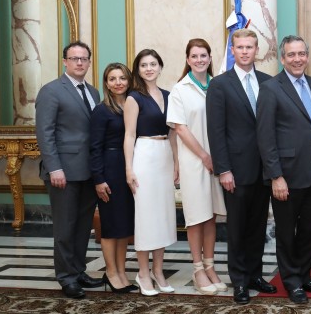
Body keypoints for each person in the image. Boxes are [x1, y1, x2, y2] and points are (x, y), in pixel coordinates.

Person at [256, 35, 311, 305]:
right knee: (287, 232)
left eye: (301, 54)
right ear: (283, 58)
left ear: (307, 57)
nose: (297, 59)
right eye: (291, 55)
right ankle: (291, 281)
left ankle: (305, 274)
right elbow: (265, 137)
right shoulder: (271, 88)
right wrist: (276, 175)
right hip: (286, 175)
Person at [206, 29, 277, 305]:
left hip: (264, 170)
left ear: (256, 50)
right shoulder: (220, 85)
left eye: (250, 47)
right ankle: (239, 282)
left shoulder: (268, 82)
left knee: (258, 226)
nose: (245, 51)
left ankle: (255, 275)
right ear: (232, 51)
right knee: (237, 228)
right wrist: (223, 169)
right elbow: (216, 131)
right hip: (234, 170)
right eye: (240, 47)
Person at [35, 41, 103, 299]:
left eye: (84, 59)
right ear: (65, 61)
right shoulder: (51, 91)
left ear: (89, 62)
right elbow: (45, 133)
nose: (79, 63)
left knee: (83, 225)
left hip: (87, 172)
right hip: (62, 172)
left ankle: (78, 270)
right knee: (65, 227)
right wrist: (54, 168)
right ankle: (66, 277)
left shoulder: (93, 92)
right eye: (74, 58)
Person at [167, 38, 227, 295]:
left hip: (218, 161)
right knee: (195, 217)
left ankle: (210, 265)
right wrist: (204, 156)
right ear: (188, 59)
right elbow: (180, 127)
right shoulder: (180, 89)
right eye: (195, 56)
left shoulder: (218, 85)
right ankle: (197, 269)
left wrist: (216, 158)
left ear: (210, 58)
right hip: (196, 161)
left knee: (211, 215)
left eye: (204, 55)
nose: (200, 60)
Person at [123, 49, 178, 296]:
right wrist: (128, 168)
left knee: (163, 216)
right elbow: (129, 135)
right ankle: (143, 272)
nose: (149, 68)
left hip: (164, 153)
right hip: (143, 155)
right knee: (146, 217)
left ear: (160, 66)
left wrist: (176, 163)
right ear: (138, 69)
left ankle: (158, 271)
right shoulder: (134, 98)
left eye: (153, 63)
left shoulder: (168, 95)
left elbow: (174, 133)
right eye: (144, 64)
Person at [89, 62, 137, 293]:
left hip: (127, 169)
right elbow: (94, 148)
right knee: (110, 225)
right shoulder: (101, 110)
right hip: (109, 170)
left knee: (123, 226)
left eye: (122, 78)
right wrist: (98, 179)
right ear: (106, 83)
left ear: (129, 80)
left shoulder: (132, 105)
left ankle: (122, 271)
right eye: (112, 79)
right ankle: (111, 272)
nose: (118, 83)